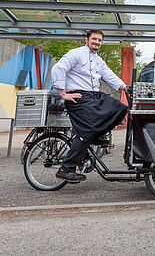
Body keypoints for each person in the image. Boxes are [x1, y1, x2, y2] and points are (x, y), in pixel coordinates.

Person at [51, 30, 128, 183]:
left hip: (92, 97)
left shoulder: (98, 60)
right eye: (94, 39)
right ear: (86, 40)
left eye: (99, 40)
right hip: (78, 98)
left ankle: (96, 136)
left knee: (119, 109)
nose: (97, 42)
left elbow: (108, 74)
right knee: (85, 132)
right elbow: (58, 69)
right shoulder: (76, 53)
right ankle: (66, 169)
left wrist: (125, 87)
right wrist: (63, 93)